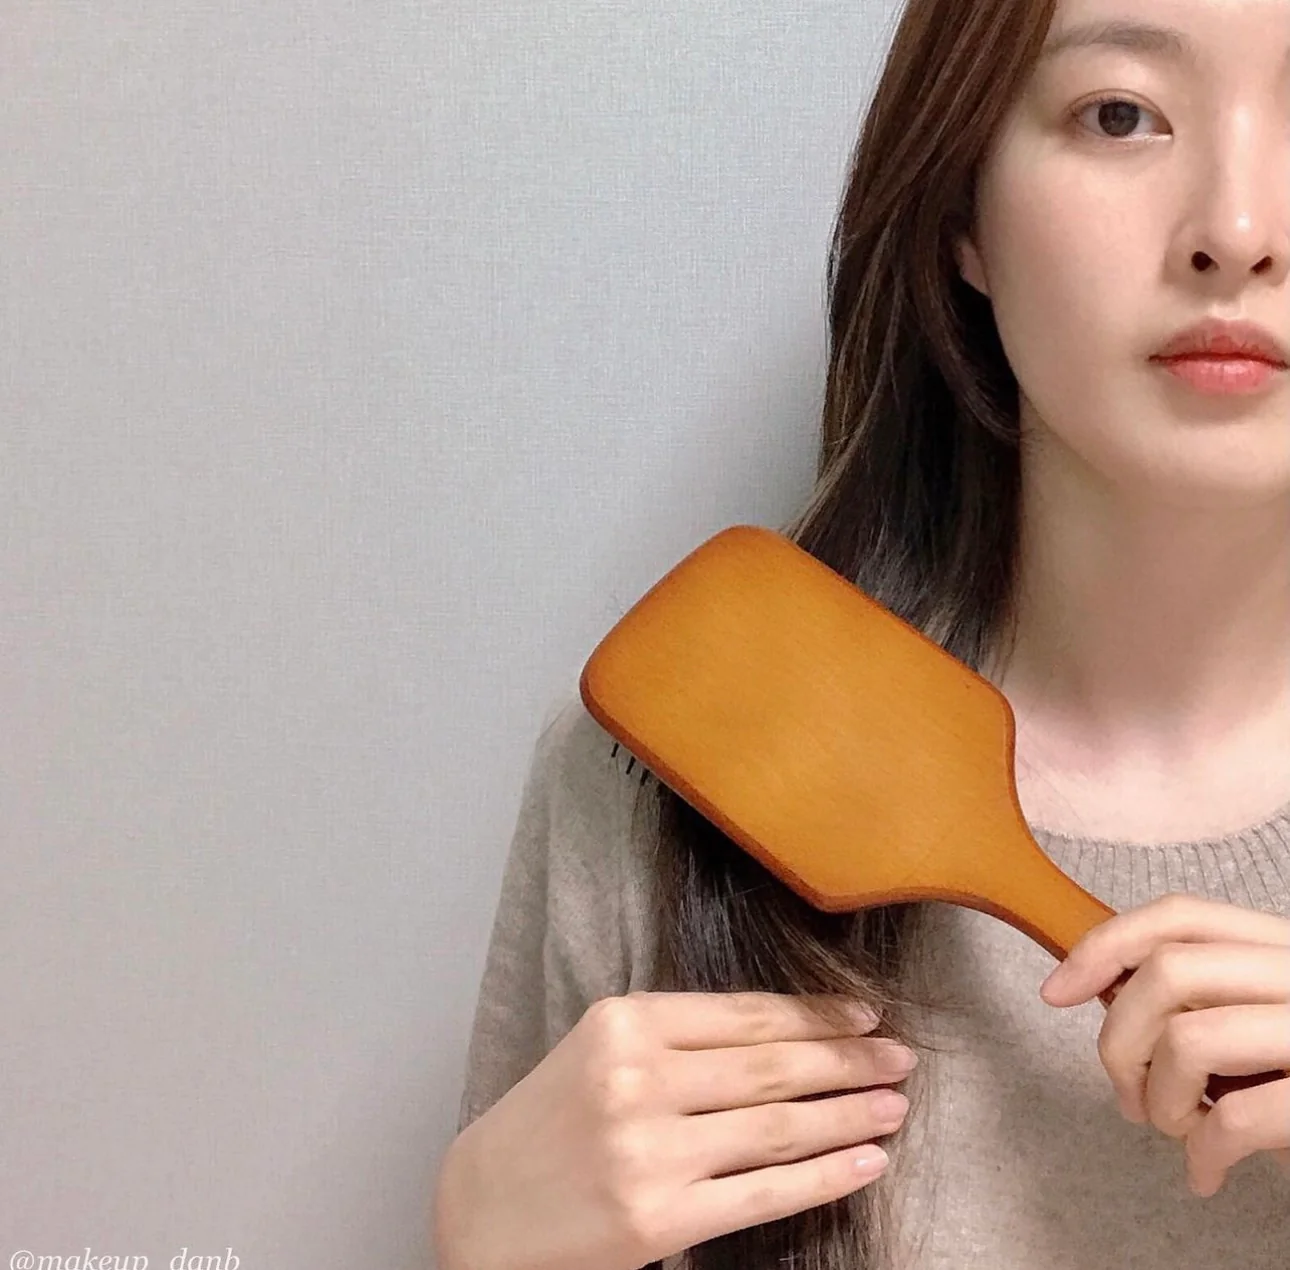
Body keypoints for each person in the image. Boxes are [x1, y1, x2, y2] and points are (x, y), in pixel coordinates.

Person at [432, 0, 1290, 1263]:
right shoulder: (683, 774)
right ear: (962, 216)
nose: (1238, 231)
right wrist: (487, 1247)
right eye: (1119, 114)